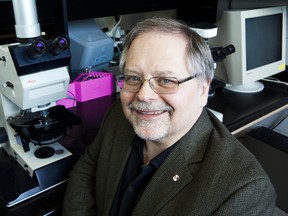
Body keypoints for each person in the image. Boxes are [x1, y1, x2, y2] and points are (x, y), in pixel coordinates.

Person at [62, 17, 276, 216]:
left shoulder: (245, 193)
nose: (143, 95)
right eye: (134, 78)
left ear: (203, 90)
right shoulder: (119, 114)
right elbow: (87, 168)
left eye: (166, 80)